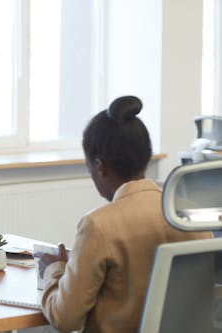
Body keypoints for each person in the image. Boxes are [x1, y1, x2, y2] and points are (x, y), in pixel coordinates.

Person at [34, 96, 212, 333]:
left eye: (89, 168)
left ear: (99, 166)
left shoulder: (98, 226)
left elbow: (66, 320)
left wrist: (53, 271)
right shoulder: (190, 214)